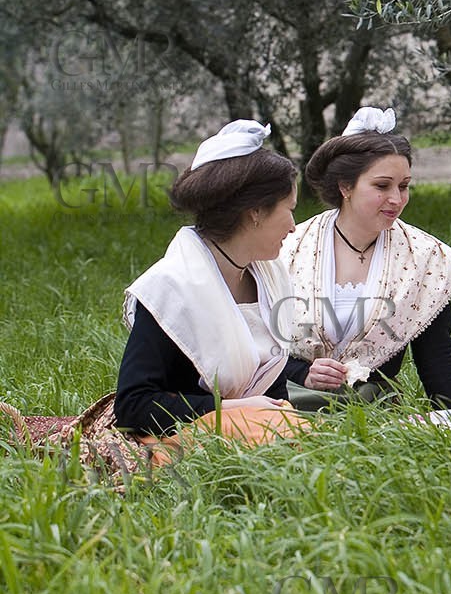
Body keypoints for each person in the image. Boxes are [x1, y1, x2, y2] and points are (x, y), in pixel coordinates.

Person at [115, 120, 315, 445]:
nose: (293, 227)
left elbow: (272, 389)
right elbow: (132, 406)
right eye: (288, 210)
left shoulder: (269, 277)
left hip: (255, 428)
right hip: (182, 438)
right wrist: (232, 409)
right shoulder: (173, 287)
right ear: (254, 213)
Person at [281, 106, 451, 409]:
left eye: (404, 186)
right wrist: (302, 372)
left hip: (373, 415)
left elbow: (436, 358)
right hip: (285, 403)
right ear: (345, 187)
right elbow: (255, 343)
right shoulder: (290, 247)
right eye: (382, 186)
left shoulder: (425, 258)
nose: (397, 198)